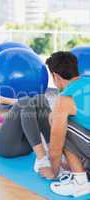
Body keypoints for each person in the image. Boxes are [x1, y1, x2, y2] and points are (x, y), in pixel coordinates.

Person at [45, 51, 90, 197]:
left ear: (55, 76)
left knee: (57, 121)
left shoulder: (65, 99)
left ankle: (80, 182)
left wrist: (54, 171)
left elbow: (55, 147)